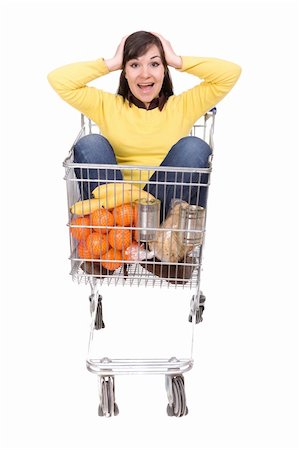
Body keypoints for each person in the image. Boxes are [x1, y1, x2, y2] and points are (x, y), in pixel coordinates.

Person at [48, 31, 241, 217]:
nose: (145, 74)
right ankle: (123, 231)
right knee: (90, 143)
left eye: (154, 64)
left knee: (195, 146)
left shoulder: (183, 106)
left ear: (165, 70)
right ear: (124, 73)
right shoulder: (107, 106)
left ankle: (150, 233)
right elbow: (59, 80)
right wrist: (112, 62)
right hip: (115, 211)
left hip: (161, 209)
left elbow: (230, 73)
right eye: (134, 65)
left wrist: (176, 60)